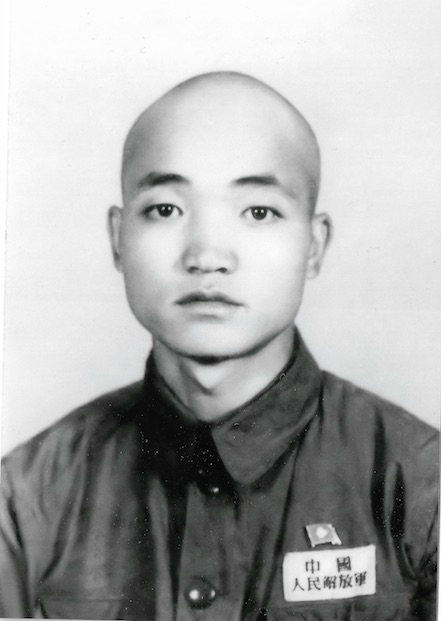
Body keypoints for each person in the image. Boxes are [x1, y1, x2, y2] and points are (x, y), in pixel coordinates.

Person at [0, 72, 438, 621]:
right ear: (118, 238)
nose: (207, 255)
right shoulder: (24, 497)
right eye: (166, 209)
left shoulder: (422, 485)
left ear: (314, 244)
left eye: (258, 211)